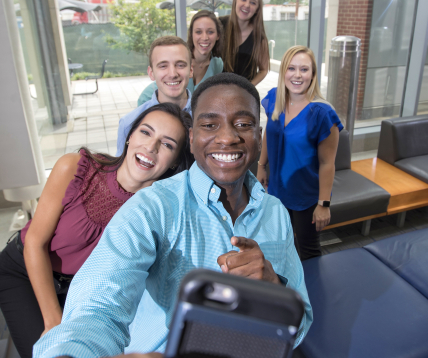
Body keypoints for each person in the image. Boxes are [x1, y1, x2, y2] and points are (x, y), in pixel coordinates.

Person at [33, 73, 313, 358]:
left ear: (259, 137)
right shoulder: (152, 208)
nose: (228, 137)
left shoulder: (276, 213)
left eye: (243, 124)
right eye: (209, 124)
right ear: (191, 139)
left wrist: (274, 289)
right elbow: (97, 309)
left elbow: (300, 323)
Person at [0, 103, 194, 358]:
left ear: (175, 161)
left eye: (167, 144)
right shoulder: (75, 167)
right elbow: (34, 242)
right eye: (145, 132)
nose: (150, 147)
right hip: (26, 271)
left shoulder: (157, 208)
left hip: (83, 291)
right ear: (130, 136)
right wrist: (54, 323)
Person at [257, 46, 343, 261]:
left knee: (308, 251)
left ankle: (311, 293)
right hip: (277, 190)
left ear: (313, 75)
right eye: (291, 68)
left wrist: (323, 205)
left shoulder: (322, 113)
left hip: (307, 196)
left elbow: (327, 164)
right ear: (283, 71)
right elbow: (270, 131)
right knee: (280, 245)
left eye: (304, 69)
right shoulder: (275, 97)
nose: (297, 75)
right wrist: (261, 165)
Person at [116, 36, 193, 156]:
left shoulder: (208, 117)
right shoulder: (129, 123)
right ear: (151, 73)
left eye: (180, 65)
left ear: (191, 70)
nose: (173, 74)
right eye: (163, 66)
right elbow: (120, 170)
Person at [136, 10, 224, 106]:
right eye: (198, 32)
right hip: (156, 103)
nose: (205, 37)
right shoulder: (179, 56)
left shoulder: (217, 64)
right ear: (191, 34)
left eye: (210, 32)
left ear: (218, 35)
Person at [221, 0, 270, 85]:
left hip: (242, 97)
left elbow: (264, 70)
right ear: (235, 0)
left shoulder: (259, 38)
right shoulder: (219, 25)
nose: (247, 5)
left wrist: (248, 88)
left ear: (257, 9)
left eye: (253, 3)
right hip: (215, 93)